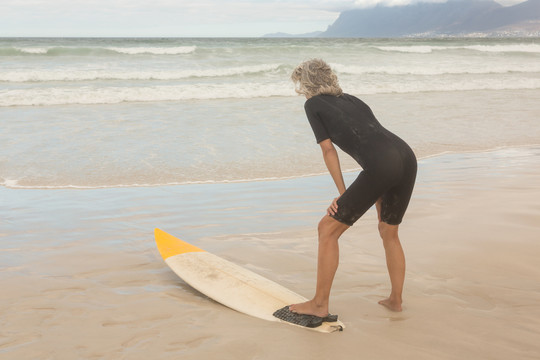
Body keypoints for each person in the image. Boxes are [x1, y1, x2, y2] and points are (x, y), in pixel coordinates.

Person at [289, 59, 417, 317]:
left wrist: (342, 192)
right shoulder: (353, 100)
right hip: (406, 157)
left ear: (306, 83)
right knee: (388, 231)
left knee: (327, 229)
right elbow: (375, 138)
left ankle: (318, 306)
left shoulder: (313, 105)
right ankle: (395, 300)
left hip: (383, 165)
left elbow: (328, 150)